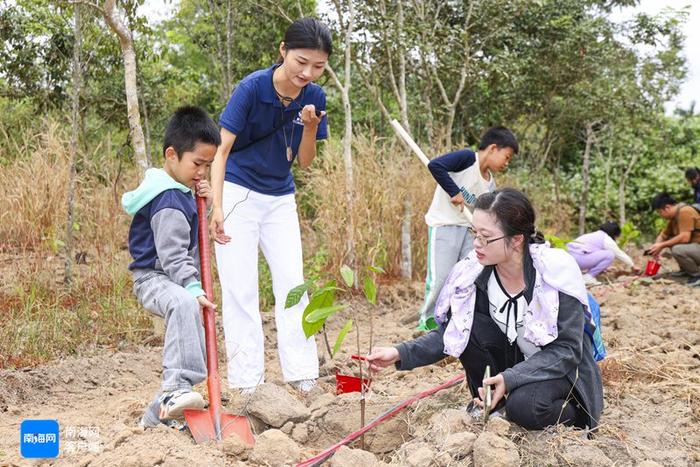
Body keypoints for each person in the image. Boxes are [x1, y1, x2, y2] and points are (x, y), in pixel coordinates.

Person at [368, 188, 604, 431]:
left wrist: (511, 378)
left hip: (558, 370)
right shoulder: (475, 275)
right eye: (474, 233)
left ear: (516, 239)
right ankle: (494, 402)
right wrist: (398, 353)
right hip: (513, 365)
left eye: (486, 237)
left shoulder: (554, 275)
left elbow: (567, 350)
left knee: (526, 407)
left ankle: (572, 415)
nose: (476, 244)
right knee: (470, 330)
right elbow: (453, 333)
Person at [209, 17, 332, 394]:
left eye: (318, 66)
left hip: (280, 198)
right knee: (239, 288)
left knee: (293, 284)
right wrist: (216, 206)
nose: (307, 72)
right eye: (301, 62)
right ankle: (248, 384)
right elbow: (221, 150)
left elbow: (306, 161)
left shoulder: (316, 96)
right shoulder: (251, 88)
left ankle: (302, 374)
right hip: (237, 193)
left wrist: (310, 127)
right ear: (283, 51)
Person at [121, 106, 221, 428]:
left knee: (191, 312)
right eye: (197, 164)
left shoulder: (179, 191)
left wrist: (200, 203)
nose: (203, 172)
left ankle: (161, 414)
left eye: (208, 165)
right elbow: (173, 254)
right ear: (172, 155)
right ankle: (175, 389)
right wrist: (192, 287)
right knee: (184, 303)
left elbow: (188, 235)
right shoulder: (169, 199)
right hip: (153, 277)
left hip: (169, 275)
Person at [417, 127, 519, 331]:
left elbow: (485, 211)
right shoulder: (466, 159)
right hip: (444, 224)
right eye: (506, 157)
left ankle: (456, 319)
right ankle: (427, 321)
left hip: (468, 231)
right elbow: (435, 166)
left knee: (467, 276)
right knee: (441, 277)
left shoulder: (490, 184)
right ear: (492, 148)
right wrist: (454, 192)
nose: (506, 163)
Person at [648, 192, 700, 286]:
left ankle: (697, 276)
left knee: (677, 248)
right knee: (672, 240)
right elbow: (663, 235)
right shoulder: (674, 217)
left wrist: (662, 245)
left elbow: (684, 238)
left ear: (667, 208)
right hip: (696, 247)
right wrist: (656, 247)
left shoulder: (685, 212)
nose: (660, 215)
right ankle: (686, 270)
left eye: (660, 212)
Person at [566, 221, 639, 285]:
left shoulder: (594, 235)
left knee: (599, 253)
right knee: (610, 255)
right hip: (578, 259)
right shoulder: (606, 239)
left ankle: (585, 275)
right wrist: (632, 265)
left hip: (568, 258)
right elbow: (619, 254)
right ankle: (588, 277)